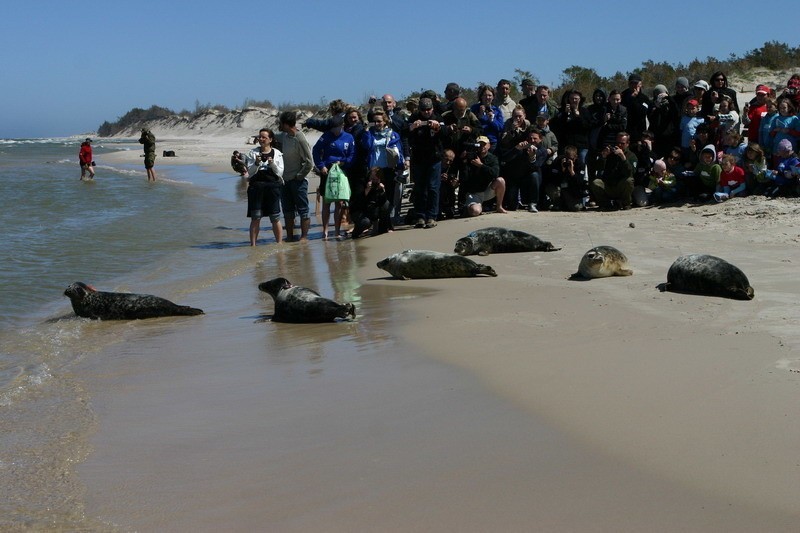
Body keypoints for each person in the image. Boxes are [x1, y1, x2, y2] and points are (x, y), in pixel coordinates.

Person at [359, 108, 405, 232]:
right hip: (374, 169)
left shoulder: (392, 134)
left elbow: (399, 151)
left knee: (388, 198)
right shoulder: (369, 133)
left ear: (385, 121)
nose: (377, 124)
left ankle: (387, 224)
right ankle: (375, 224)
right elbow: (366, 146)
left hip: (388, 169)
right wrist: (367, 131)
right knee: (373, 199)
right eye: (375, 121)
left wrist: (401, 167)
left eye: (379, 121)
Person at [312, 115, 355, 239]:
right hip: (327, 170)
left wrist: (344, 162)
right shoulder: (326, 136)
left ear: (341, 126)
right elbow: (316, 150)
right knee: (326, 202)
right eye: (332, 128)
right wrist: (321, 166)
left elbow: (352, 154)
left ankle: (337, 230)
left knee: (339, 203)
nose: (334, 131)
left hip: (341, 171)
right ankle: (325, 230)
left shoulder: (348, 137)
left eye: (336, 128)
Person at [275, 111, 314, 242]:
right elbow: (273, 136)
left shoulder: (300, 138)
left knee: (303, 210)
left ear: (286, 124)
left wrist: (299, 175)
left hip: (298, 181)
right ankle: (290, 237)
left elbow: (309, 162)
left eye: (281, 123)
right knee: (287, 211)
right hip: (285, 181)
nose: (279, 126)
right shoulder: (284, 136)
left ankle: (304, 237)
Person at [406, 97, 445, 228]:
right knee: (420, 188)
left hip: (434, 158)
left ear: (432, 109)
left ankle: (432, 216)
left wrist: (438, 127)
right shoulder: (413, 118)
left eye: (429, 110)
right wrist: (412, 127)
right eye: (424, 110)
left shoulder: (438, 117)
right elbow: (404, 134)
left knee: (433, 187)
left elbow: (446, 134)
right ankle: (420, 216)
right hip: (418, 159)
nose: (427, 112)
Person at [244, 128, 285, 246]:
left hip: (272, 188)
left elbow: (280, 173)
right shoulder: (253, 153)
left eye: (264, 137)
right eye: (259, 137)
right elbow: (250, 173)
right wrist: (256, 163)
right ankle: (253, 245)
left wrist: (272, 163)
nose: (261, 139)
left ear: (270, 139)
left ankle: (279, 243)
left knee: (275, 217)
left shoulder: (277, 153)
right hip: (256, 188)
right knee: (255, 217)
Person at [590, 131, 637, 210]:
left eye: (622, 143)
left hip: (621, 187)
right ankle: (605, 204)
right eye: (617, 143)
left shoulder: (631, 156)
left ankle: (626, 203)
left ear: (627, 143)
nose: (619, 145)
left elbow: (631, 173)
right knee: (596, 183)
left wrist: (623, 158)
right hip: (609, 185)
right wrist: (603, 157)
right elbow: (598, 168)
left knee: (629, 181)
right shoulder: (611, 154)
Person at [461, 136, 506, 217]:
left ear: (489, 145)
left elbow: (495, 173)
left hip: (487, 190)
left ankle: (499, 206)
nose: (482, 147)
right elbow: (464, 176)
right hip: (474, 192)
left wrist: (481, 165)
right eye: (479, 144)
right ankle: (471, 207)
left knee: (501, 180)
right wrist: (463, 160)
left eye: (484, 144)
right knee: (475, 211)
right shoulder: (470, 157)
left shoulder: (493, 158)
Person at [351, 167, 392, 238]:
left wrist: (383, 191)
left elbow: (384, 203)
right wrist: (366, 191)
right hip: (360, 210)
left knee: (386, 204)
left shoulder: (380, 184)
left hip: (373, 209)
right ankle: (356, 233)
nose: (374, 181)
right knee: (365, 222)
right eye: (372, 178)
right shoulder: (362, 183)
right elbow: (356, 202)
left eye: (376, 179)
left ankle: (382, 229)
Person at [547, 145, 587, 211]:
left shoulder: (580, 164)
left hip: (572, 190)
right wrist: (562, 170)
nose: (568, 161)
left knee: (576, 208)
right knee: (552, 188)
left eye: (571, 159)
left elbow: (580, 183)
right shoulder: (558, 161)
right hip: (559, 188)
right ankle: (558, 203)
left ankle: (565, 204)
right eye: (567, 158)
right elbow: (552, 179)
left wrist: (572, 172)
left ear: (576, 157)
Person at [648, 84, 681, 158]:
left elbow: (677, 113)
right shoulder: (652, 105)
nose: (660, 96)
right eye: (657, 94)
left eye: (661, 93)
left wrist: (668, 98)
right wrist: (657, 107)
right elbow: (651, 119)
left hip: (671, 137)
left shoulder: (671, 103)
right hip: (658, 138)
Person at [767, 98, 800, 168]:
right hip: (777, 148)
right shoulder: (776, 118)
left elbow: (798, 133)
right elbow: (771, 134)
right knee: (777, 167)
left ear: (789, 108)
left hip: (790, 149)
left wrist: (788, 131)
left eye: (784, 108)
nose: (782, 110)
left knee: (789, 168)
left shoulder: (794, 119)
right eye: (780, 108)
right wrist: (775, 130)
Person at [470, 85, 504, 150]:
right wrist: (479, 116)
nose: (487, 97)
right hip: (478, 140)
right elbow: (471, 125)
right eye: (485, 95)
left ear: (493, 97)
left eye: (489, 95)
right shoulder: (474, 108)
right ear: (481, 96)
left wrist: (492, 120)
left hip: (492, 142)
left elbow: (500, 128)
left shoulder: (497, 110)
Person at [621, 74, 652, 143]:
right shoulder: (622, 96)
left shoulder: (644, 98)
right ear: (628, 84)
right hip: (625, 133)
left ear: (640, 84)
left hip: (639, 133)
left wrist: (635, 99)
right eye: (631, 83)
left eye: (636, 83)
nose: (633, 85)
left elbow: (642, 113)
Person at [438, 149, 460, 220]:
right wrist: (439, 178)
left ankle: (449, 208)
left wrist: (455, 183)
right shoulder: (436, 166)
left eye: (450, 161)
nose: (448, 162)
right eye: (446, 159)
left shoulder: (453, 168)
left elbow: (455, 183)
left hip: (448, 194)